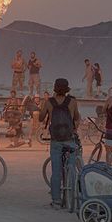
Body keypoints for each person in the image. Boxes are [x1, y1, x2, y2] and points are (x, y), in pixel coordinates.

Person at [41, 78, 80, 208]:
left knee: (56, 171)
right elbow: (77, 118)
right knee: (72, 169)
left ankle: (56, 200)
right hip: (69, 139)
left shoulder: (49, 102)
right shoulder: (72, 102)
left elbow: (41, 117)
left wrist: (46, 110)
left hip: (56, 140)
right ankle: (72, 197)